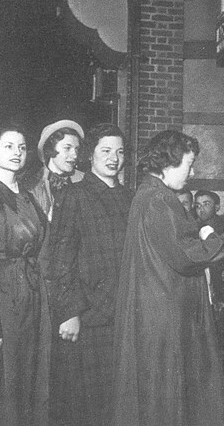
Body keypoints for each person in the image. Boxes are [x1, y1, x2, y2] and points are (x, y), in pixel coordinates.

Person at [112, 130, 224, 426]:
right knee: (169, 399)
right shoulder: (160, 200)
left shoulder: (147, 196)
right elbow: (188, 256)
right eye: (189, 163)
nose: (192, 172)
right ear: (168, 163)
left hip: (154, 312)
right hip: (165, 317)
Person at [48, 123, 133, 426]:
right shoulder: (75, 195)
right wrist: (69, 312)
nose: (114, 158)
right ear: (90, 156)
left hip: (123, 314)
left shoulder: (129, 197)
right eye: (106, 151)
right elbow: (60, 257)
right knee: (90, 406)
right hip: (90, 316)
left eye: (120, 152)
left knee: (118, 403)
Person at [0, 126, 50, 426]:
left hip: (31, 299)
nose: (17, 152)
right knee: (0, 387)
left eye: (22, 147)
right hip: (2, 302)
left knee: (29, 383)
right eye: (8, 146)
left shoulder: (30, 199)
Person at [24, 119, 84, 221]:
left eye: (76, 149)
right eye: (67, 148)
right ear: (50, 148)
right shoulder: (32, 185)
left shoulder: (84, 179)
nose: (74, 155)